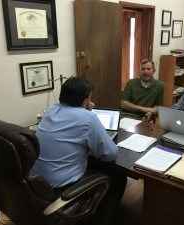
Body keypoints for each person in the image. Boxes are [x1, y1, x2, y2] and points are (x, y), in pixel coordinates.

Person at [31, 77, 127, 225]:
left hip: (38, 182)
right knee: (119, 174)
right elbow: (110, 154)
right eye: (90, 98)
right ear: (85, 99)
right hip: (61, 187)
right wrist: (87, 112)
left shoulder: (51, 110)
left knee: (93, 160)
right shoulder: (88, 118)